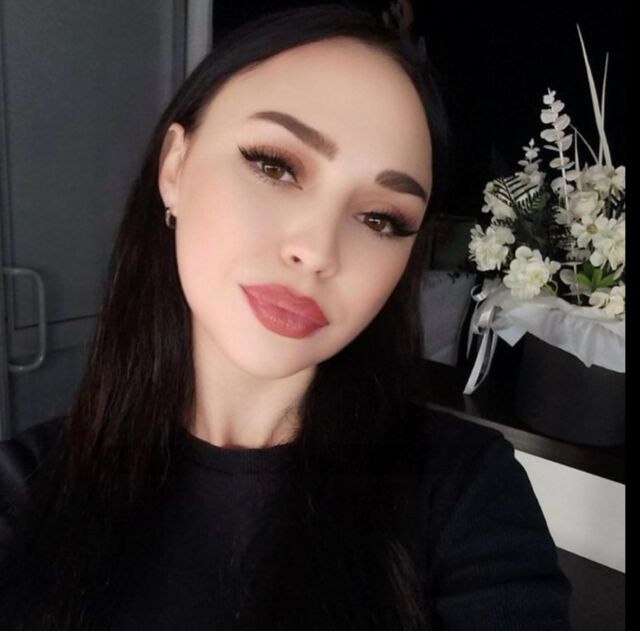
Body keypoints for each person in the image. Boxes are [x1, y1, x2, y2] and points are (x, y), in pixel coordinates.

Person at [0, 3, 572, 630]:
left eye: (381, 218)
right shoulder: (25, 488)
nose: (318, 251)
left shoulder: (464, 494)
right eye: (275, 166)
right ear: (175, 168)